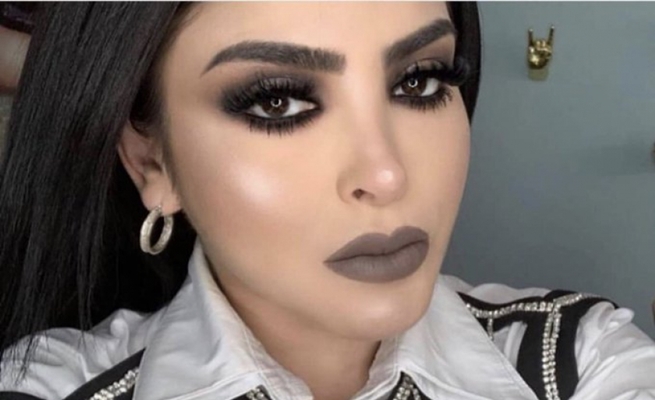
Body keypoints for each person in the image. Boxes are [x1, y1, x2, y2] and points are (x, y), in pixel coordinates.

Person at [0, 3, 653, 400]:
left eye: (420, 81)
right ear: (151, 161)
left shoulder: (581, 360)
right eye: (276, 101)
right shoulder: (50, 385)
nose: (387, 175)